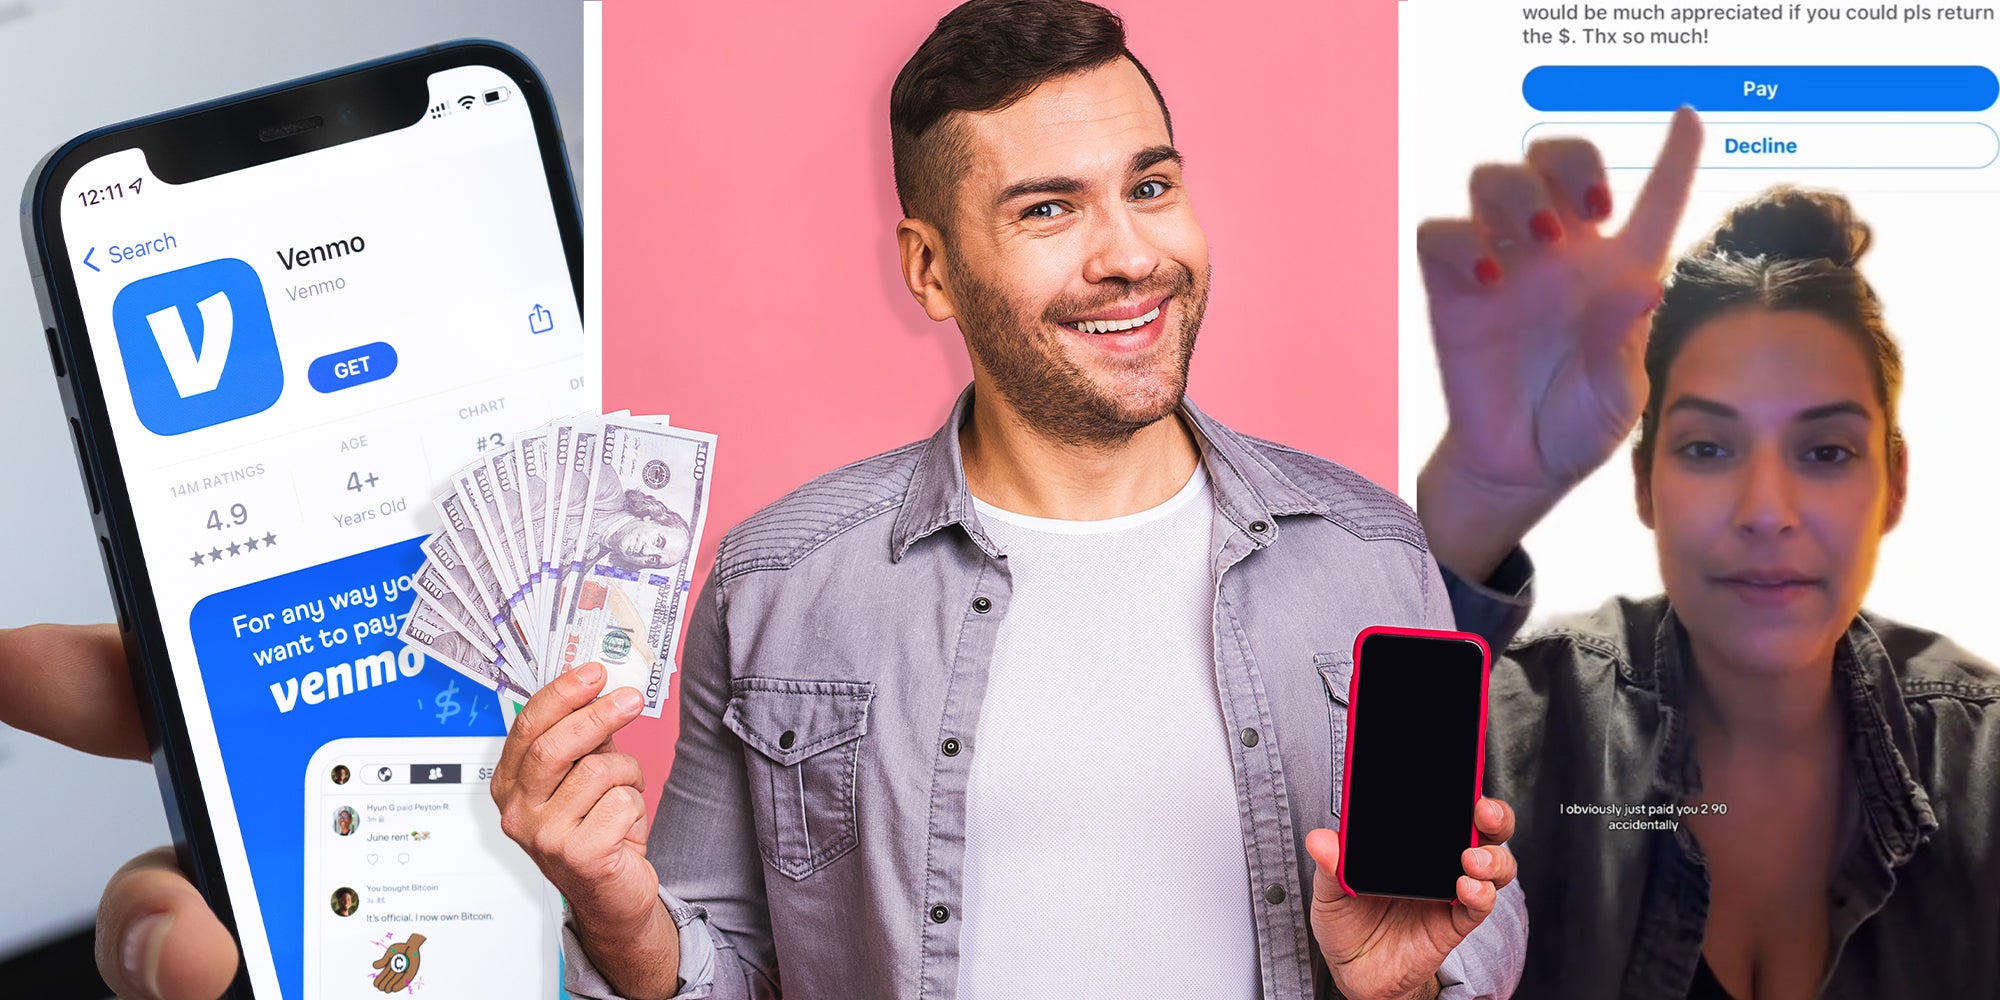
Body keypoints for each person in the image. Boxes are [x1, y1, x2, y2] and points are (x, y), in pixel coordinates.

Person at [494, 3, 1522, 999]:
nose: (1131, 256)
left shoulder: (1370, 554)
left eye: (1150, 186)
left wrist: (1405, 992)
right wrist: (621, 921)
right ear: (930, 268)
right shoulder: (776, 584)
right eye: (1047, 208)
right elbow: (726, 968)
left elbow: (1466, 917)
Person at [1410, 126, 2000, 994]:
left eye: (1826, 452)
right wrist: (1477, 494)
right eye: (1708, 449)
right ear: (1645, 482)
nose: (1765, 511)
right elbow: (1357, 884)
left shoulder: (1985, 763)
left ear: (1894, 484)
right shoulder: (1520, 728)